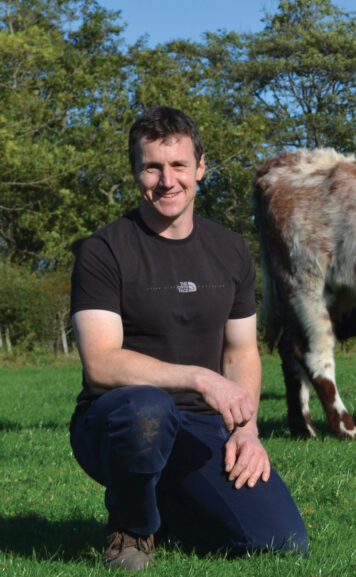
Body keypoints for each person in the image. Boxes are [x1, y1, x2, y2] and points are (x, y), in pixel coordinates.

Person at [69, 106, 308, 572]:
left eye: (179, 165)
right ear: (135, 171)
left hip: (203, 427)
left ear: (201, 167)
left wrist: (246, 429)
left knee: (280, 542)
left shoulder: (230, 250)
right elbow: (100, 363)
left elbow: (240, 352)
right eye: (152, 167)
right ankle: (131, 529)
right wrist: (200, 378)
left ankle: (168, 508)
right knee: (147, 409)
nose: (167, 180)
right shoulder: (105, 250)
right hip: (115, 421)